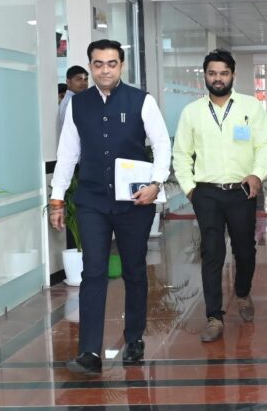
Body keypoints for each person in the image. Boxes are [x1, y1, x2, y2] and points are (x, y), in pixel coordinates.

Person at [49, 39, 171, 375]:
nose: (105, 70)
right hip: (92, 201)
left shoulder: (141, 100)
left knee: (134, 270)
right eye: (99, 64)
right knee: (93, 272)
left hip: (135, 201)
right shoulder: (78, 104)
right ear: (91, 66)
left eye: (112, 63)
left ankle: (134, 339)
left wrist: (156, 183)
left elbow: (162, 144)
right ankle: (89, 351)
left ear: (121, 65)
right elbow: (68, 153)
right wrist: (57, 198)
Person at [173, 49, 267, 343]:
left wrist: (257, 175)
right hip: (206, 193)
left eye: (223, 73)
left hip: (242, 190)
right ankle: (214, 317)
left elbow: (265, 146)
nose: (218, 79)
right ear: (205, 76)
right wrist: (190, 188)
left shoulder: (250, 107)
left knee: (245, 250)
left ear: (233, 75)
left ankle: (242, 292)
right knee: (212, 253)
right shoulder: (191, 112)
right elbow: (181, 154)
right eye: (212, 73)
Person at [58, 65, 89, 134]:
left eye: (85, 80)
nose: (84, 83)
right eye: (79, 79)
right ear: (68, 82)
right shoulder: (69, 103)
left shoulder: (77, 101)